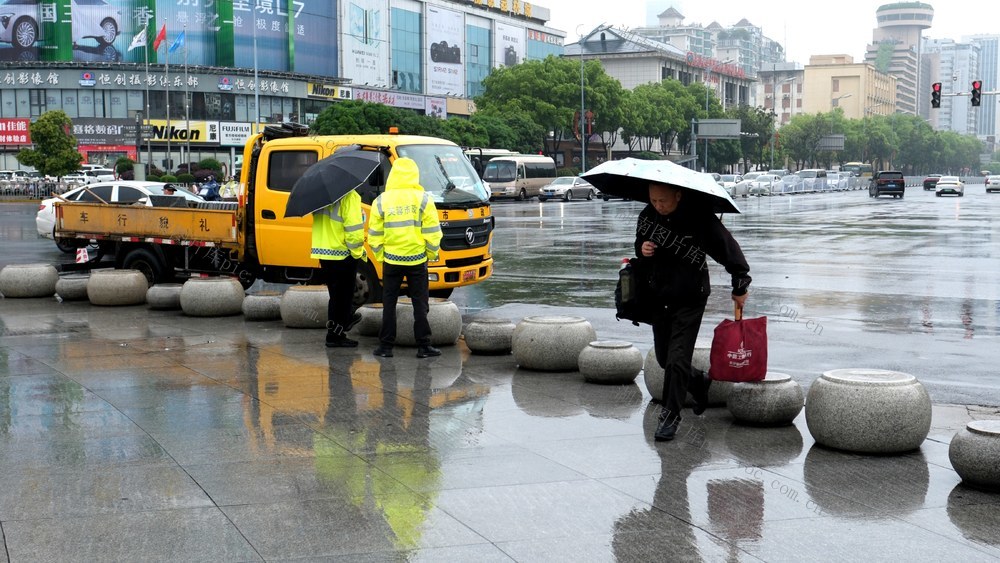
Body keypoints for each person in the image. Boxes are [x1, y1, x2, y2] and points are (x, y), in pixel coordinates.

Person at [636, 182, 751, 442]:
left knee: (677, 358)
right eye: (653, 200)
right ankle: (698, 382)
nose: (658, 205)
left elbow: (727, 248)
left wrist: (740, 283)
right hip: (659, 297)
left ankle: (669, 417)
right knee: (664, 358)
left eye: (663, 200)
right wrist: (643, 249)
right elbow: (639, 245)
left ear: (678, 195)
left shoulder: (699, 217)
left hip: (690, 297)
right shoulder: (648, 215)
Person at [367, 157, 443, 359]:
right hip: (417, 260)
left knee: (389, 303)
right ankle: (424, 346)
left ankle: (385, 347)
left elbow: (374, 235)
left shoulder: (381, 201)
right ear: (415, 175)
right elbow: (433, 233)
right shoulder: (424, 200)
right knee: (420, 304)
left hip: (391, 260)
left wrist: (382, 256)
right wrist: (430, 255)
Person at [311, 187, 366, 348]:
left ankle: (335, 333)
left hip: (324, 252)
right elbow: (354, 231)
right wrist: (357, 252)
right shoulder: (350, 196)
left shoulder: (319, 195)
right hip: (342, 253)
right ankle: (341, 326)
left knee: (335, 296)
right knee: (344, 296)